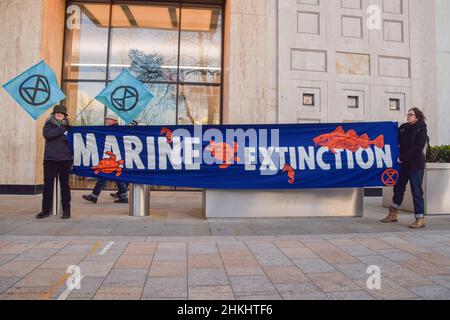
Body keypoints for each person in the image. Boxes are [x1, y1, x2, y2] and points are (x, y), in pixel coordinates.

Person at [382, 107, 428, 229]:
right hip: (402, 164)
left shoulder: (421, 129)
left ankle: (420, 219)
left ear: (417, 117)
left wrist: (403, 157)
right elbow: (392, 137)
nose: (408, 116)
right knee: (398, 188)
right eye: (407, 114)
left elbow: (418, 148)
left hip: (415, 165)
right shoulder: (403, 128)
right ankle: (393, 214)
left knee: (416, 191)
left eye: (411, 114)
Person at [82, 114, 129, 204]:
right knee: (115, 175)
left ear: (114, 121)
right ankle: (123, 195)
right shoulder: (108, 129)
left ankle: (94, 195)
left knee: (105, 175)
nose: (106, 120)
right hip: (109, 156)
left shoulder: (116, 130)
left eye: (108, 119)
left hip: (113, 156)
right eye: (106, 119)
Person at [36, 105, 72, 220]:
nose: (59, 115)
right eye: (57, 113)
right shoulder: (48, 124)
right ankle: (45, 210)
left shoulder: (69, 127)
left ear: (64, 115)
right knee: (47, 186)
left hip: (65, 160)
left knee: (65, 186)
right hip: (50, 160)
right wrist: (62, 129)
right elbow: (48, 135)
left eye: (61, 113)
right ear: (54, 114)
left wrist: (67, 129)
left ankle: (66, 211)